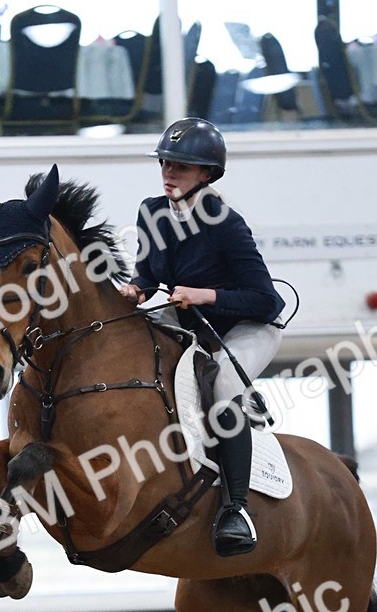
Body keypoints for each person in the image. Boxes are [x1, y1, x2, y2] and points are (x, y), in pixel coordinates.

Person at [119, 117, 284, 558]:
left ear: (206, 174)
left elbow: (267, 302)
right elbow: (150, 271)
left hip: (245, 329)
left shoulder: (226, 223)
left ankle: (237, 509)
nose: (169, 172)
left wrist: (204, 295)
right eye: (166, 163)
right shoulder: (152, 210)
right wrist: (136, 288)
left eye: (182, 166)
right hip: (190, 326)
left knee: (226, 386)